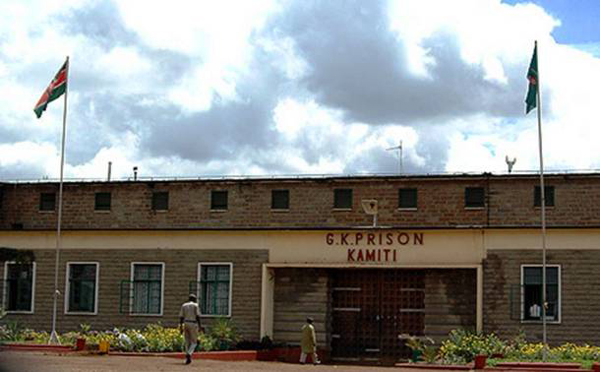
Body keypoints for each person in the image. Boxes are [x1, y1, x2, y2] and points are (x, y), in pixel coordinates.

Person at [179, 294, 202, 365]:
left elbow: (181, 317)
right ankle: (189, 353)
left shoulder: (184, 305)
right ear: (194, 299)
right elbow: (198, 316)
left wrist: (181, 326)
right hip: (193, 323)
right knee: (194, 341)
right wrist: (200, 326)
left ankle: (187, 357)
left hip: (186, 323)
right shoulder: (195, 305)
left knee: (187, 341)